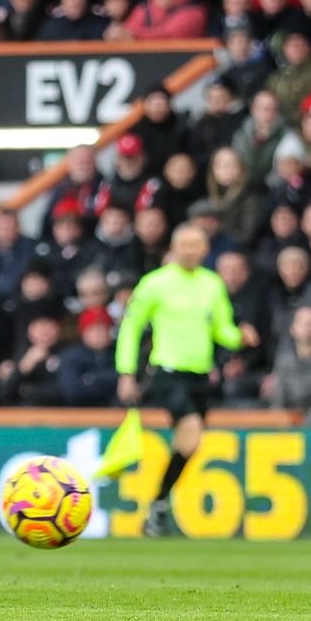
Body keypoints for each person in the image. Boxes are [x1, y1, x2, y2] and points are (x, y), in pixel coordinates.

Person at [116, 224, 259, 537]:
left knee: (188, 445)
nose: (190, 250)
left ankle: (157, 505)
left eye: (196, 245)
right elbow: (131, 327)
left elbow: (221, 329)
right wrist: (126, 371)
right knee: (191, 432)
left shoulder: (212, 285)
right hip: (167, 372)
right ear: (173, 247)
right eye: (184, 244)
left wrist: (240, 337)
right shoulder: (155, 284)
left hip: (200, 376)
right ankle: (157, 504)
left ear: (206, 250)